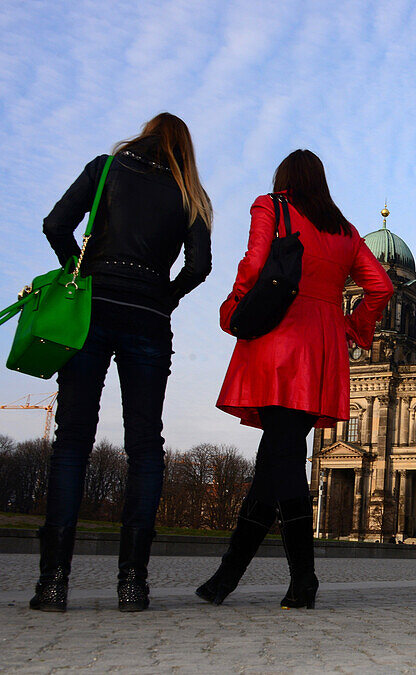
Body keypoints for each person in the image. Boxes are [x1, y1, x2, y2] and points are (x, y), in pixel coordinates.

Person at [30, 114, 213, 613]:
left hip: (91, 310)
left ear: (144, 134)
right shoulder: (191, 193)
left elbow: (55, 224)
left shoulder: (106, 169)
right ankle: (133, 584)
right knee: (145, 448)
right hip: (149, 317)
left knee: (71, 443)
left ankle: (53, 584)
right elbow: (199, 266)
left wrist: (78, 272)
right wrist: (165, 296)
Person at [196, 150, 392, 609]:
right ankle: (225, 578)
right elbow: (380, 286)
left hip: (278, 342)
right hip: (323, 350)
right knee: (276, 463)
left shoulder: (272, 206)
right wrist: (353, 326)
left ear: (284, 178)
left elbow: (253, 263)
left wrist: (234, 308)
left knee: (280, 462)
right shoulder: (345, 231)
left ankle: (303, 577)